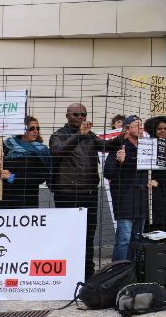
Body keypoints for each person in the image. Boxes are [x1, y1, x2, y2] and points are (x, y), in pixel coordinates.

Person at [49, 103, 125, 279]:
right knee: (68, 235)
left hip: (89, 192)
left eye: (83, 114)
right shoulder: (58, 135)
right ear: (67, 116)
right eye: (76, 114)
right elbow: (58, 152)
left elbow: (106, 146)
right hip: (67, 193)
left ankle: (88, 273)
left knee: (88, 235)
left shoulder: (89, 135)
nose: (81, 117)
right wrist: (79, 135)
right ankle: (69, 273)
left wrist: (122, 136)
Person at [104, 116, 158, 262]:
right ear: (127, 128)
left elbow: (152, 170)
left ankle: (134, 270)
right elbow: (108, 173)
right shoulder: (119, 146)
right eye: (137, 125)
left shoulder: (146, 147)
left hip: (142, 199)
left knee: (137, 238)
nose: (141, 128)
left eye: (142, 125)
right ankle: (118, 270)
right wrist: (118, 161)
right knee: (124, 240)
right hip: (124, 200)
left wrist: (152, 180)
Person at [0, 116, 52, 209]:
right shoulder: (6, 146)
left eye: (37, 128)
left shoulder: (41, 150)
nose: (36, 131)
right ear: (22, 130)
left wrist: (12, 177)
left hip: (26, 201)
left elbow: (41, 176)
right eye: (32, 128)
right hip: (3, 199)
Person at [143, 116, 166, 233]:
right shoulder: (149, 145)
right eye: (159, 129)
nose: (163, 131)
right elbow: (156, 169)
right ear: (154, 130)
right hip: (154, 188)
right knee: (156, 220)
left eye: (165, 128)